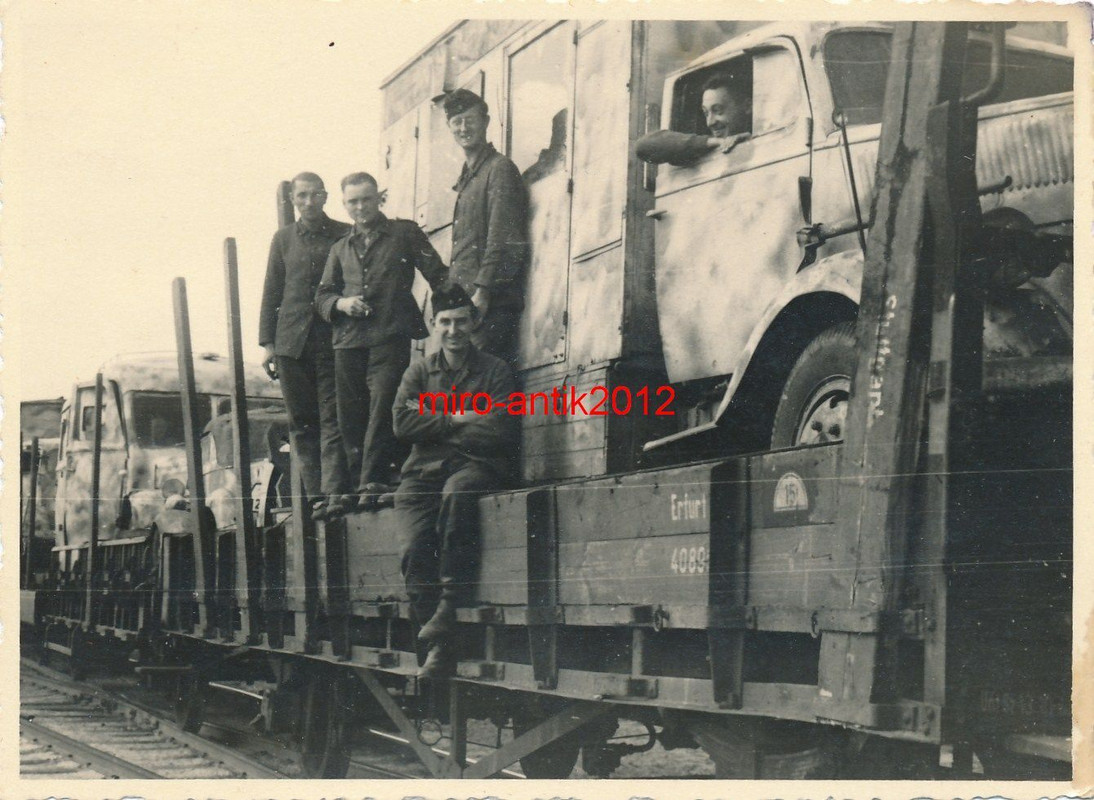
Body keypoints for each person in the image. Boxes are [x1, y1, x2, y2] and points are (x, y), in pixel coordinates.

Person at [392, 283, 519, 678]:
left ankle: (448, 608)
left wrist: (435, 426)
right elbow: (402, 422)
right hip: (423, 471)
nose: (453, 330)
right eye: (445, 322)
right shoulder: (418, 372)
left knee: (458, 494)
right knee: (414, 547)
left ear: (474, 322)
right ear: (434, 324)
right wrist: (455, 419)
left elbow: (499, 429)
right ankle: (437, 644)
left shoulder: (496, 371)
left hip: (474, 466)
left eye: (461, 321)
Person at [315, 172, 449, 510]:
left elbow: (438, 273)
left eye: (366, 199)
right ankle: (355, 483)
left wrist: (464, 304)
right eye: (353, 202)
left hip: (390, 334)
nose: (360, 207)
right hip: (347, 340)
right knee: (350, 414)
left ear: (379, 199)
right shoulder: (339, 247)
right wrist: (341, 304)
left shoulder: (403, 233)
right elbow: (322, 295)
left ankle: (370, 481)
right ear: (344, 204)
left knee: (382, 406)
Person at [259, 172, 352, 521]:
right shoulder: (283, 239)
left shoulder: (343, 233)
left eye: (315, 195)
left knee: (333, 417)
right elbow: (272, 291)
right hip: (291, 345)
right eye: (302, 196)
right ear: (294, 200)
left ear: (325, 197)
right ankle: (317, 496)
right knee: (301, 422)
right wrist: (268, 344)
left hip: (332, 340)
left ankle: (334, 492)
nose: (309, 202)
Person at [444, 88, 529, 366]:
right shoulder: (468, 177)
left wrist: (483, 291)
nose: (464, 128)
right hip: (469, 305)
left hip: (489, 304)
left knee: (484, 387)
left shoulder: (499, 169)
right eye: (457, 122)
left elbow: (502, 238)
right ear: (449, 127)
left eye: (470, 120)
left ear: (486, 122)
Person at [635, 74, 751, 166]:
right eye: (706, 113)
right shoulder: (703, 149)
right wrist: (715, 142)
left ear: (747, 107)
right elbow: (643, 145)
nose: (710, 122)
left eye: (718, 111)